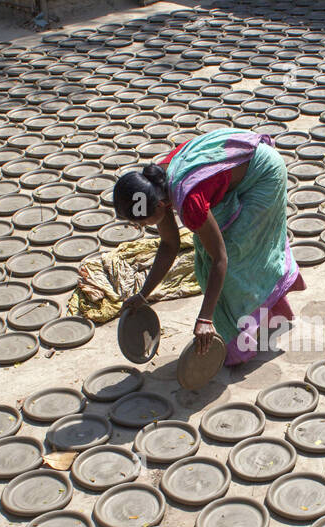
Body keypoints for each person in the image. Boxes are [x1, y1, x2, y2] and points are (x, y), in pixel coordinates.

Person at [112, 128, 304, 367]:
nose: (141, 226)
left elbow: (221, 259)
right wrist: (143, 294)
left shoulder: (187, 198)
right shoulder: (155, 183)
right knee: (203, 255)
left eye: (142, 221)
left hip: (264, 174)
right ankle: (263, 315)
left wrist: (205, 318)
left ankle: (243, 337)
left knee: (236, 259)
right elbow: (170, 244)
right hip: (235, 174)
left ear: (161, 205)